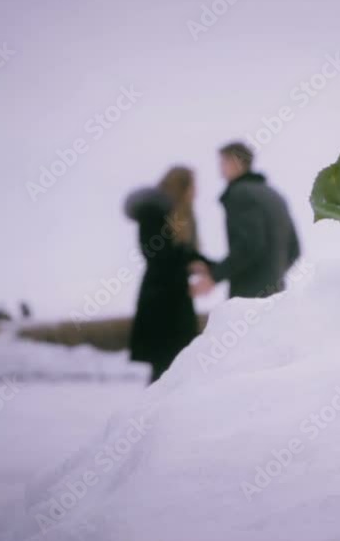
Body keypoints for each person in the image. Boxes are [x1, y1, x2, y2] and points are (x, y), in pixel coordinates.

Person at [126, 166, 204, 383]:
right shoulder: (152, 212)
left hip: (177, 300)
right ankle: (151, 416)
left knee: (178, 367)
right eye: (192, 186)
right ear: (182, 187)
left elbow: (190, 255)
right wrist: (191, 264)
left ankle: (168, 413)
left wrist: (211, 268)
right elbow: (156, 255)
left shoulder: (183, 215)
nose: (196, 191)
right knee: (163, 369)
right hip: (159, 301)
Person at [191, 142, 299, 299]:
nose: (220, 170)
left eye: (223, 162)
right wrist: (271, 275)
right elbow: (295, 250)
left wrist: (214, 277)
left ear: (236, 162)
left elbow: (249, 245)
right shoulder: (274, 195)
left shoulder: (240, 194)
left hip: (247, 297)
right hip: (277, 296)